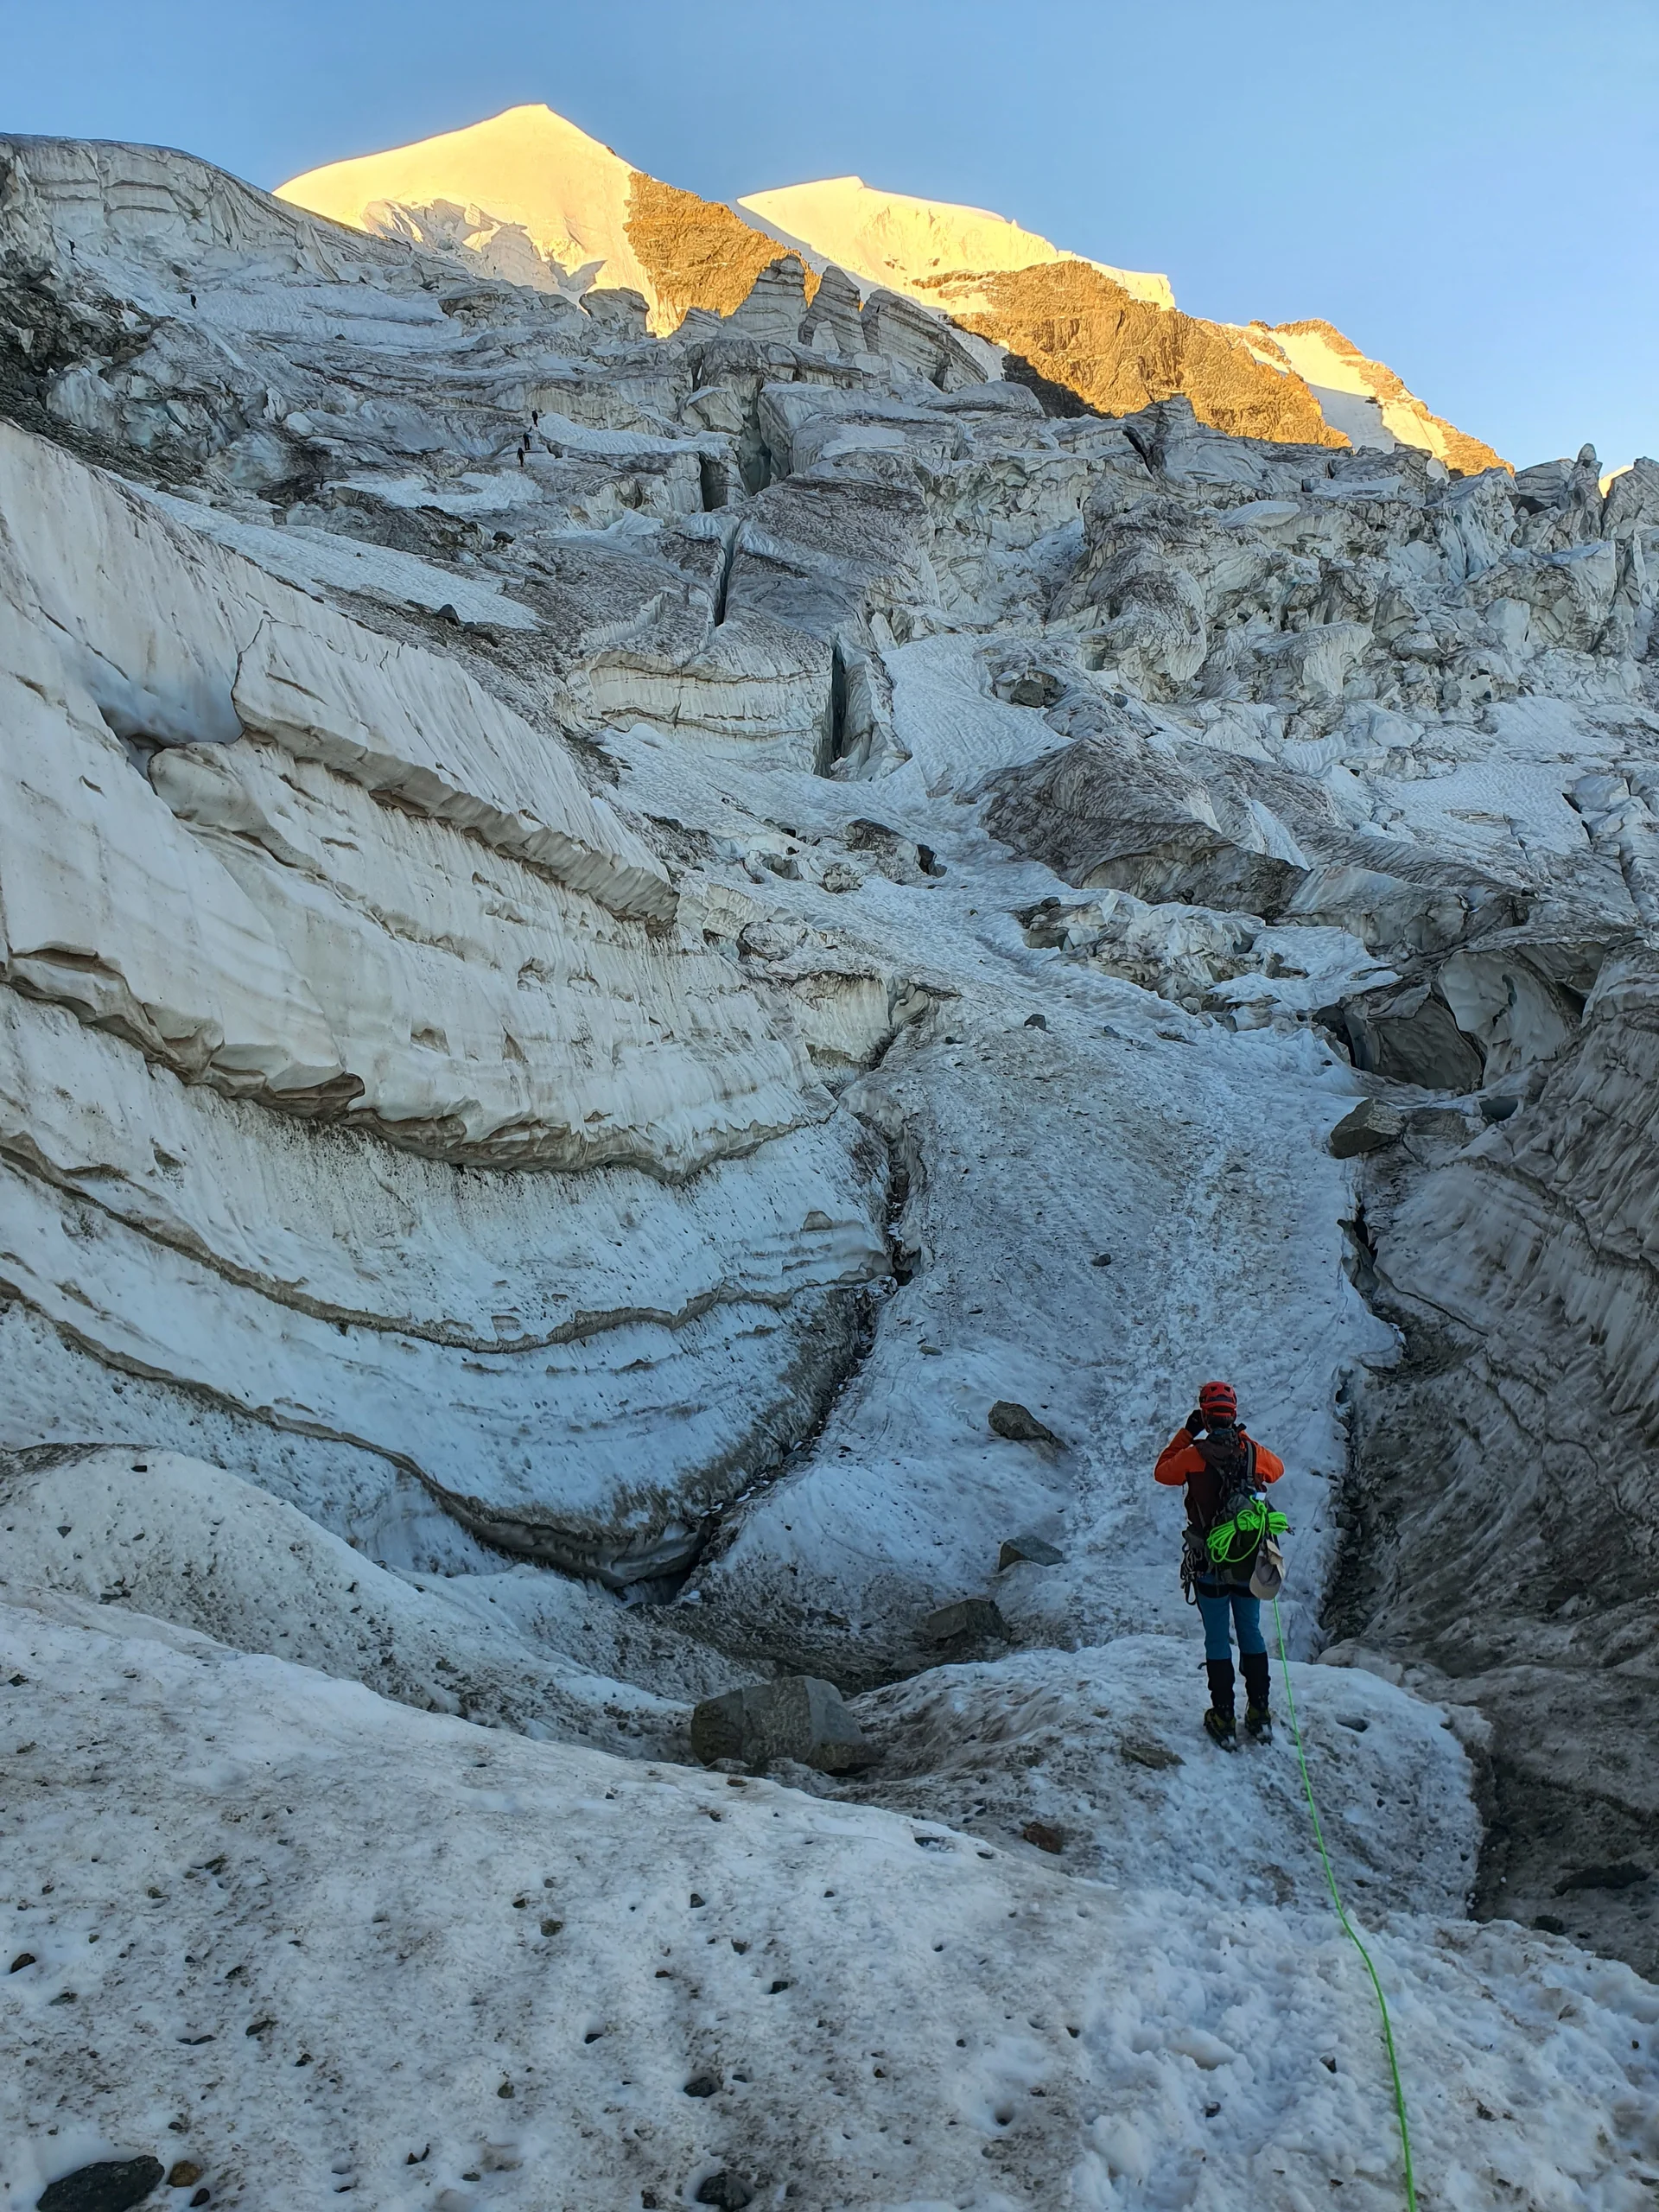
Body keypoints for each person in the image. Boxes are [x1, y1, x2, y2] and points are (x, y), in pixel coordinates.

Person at [1155, 1380, 1285, 1749]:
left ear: (1205, 1416)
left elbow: (1162, 1471)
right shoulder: (1253, 1453)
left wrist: (1188, 1432)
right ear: (1234, 1413)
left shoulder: (1193, 1456)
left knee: (1217, 1638)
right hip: (1247, 1559)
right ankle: (1259, 1714)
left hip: (1209, 1562)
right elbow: (1277, 1469)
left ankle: (1223, 1716)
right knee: (1251, 1632)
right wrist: (1244, 1446)